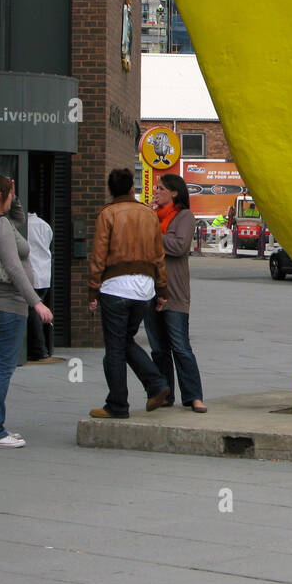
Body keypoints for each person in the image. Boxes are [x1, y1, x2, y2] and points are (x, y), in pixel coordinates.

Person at [0, 174, 50, 448]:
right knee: (2, 369)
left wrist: (12, 194)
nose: (13, 198)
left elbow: (18, 219)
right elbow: (13, 267)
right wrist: (35, 302)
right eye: (8, 194)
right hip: (8, 303)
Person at [87, 168, 171, 419]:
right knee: (125, 341)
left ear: (110, 189)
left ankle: (118, 404)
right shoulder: (148, 214)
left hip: (115, 287)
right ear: (132, 188)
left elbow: (98, 255)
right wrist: (162, 290)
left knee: (114, 348)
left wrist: (92, 290)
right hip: (144, 288)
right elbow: (158, 255)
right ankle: (156, 384)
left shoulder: (107, 213)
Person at [144, 174, 206, 412]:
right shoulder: (152, 216)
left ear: (174, 192)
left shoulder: (184, 216)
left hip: (174, 291)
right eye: (156, 188)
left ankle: (194, 396)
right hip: (149, 289)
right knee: (158, 348)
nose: (156, 192)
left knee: (180, 346)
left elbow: (179, 246)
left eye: (161, 188)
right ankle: (164, 394)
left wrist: (151, 233)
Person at [25, 209, 55, 361]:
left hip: (31, 272)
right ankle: (40, 347)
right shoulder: (45, 225)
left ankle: (39, 349)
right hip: (44, 274)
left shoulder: (24, 226)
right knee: (36, 310)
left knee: (32, 311)